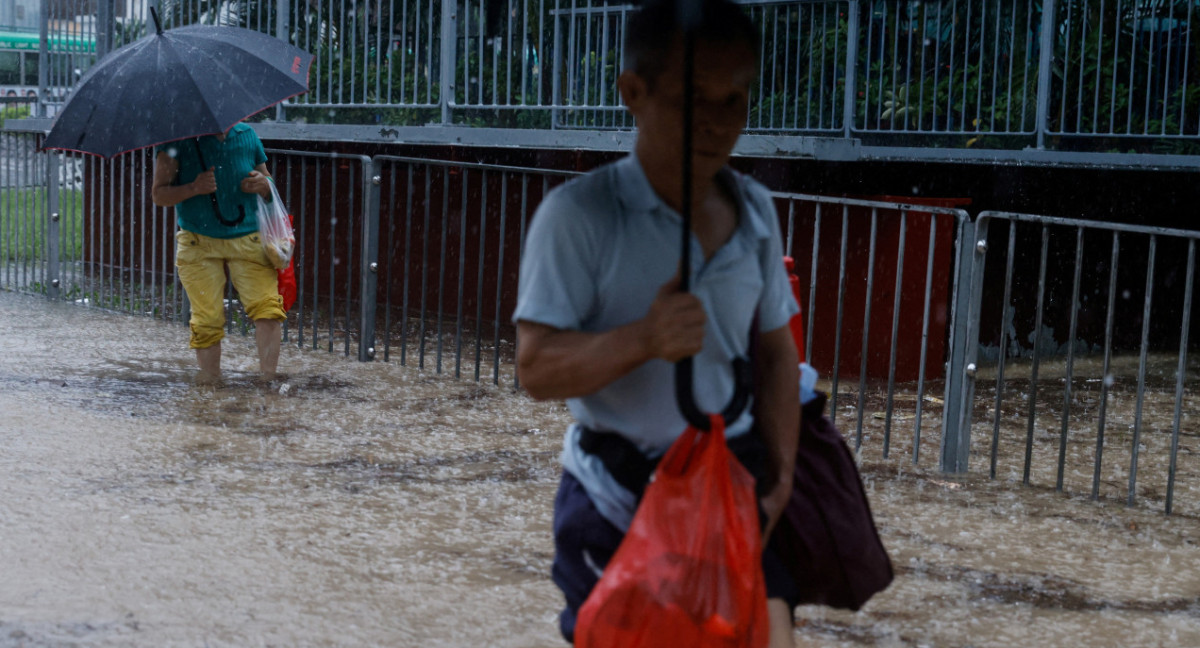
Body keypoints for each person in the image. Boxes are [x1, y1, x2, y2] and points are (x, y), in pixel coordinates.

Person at [513, 1, 801, 646]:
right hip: (615, 497)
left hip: (733, 485)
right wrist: (642, 339)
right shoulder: (577, 217)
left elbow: (779, 352)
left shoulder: (753, 208)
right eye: (695, 98)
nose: (719, 124)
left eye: (736, 98)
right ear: (633, 93)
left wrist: (780, 478)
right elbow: (535, 368)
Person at [151, 122, 285, 383]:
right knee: (207, 320)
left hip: (248, 238)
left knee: (268, 310)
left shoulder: (247, 135)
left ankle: (269, 384)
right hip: (197, 243)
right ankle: (210, 388)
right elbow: (159, 195)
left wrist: (264, 185)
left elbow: (266, 178)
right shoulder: (176, 141)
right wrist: (194, 188)